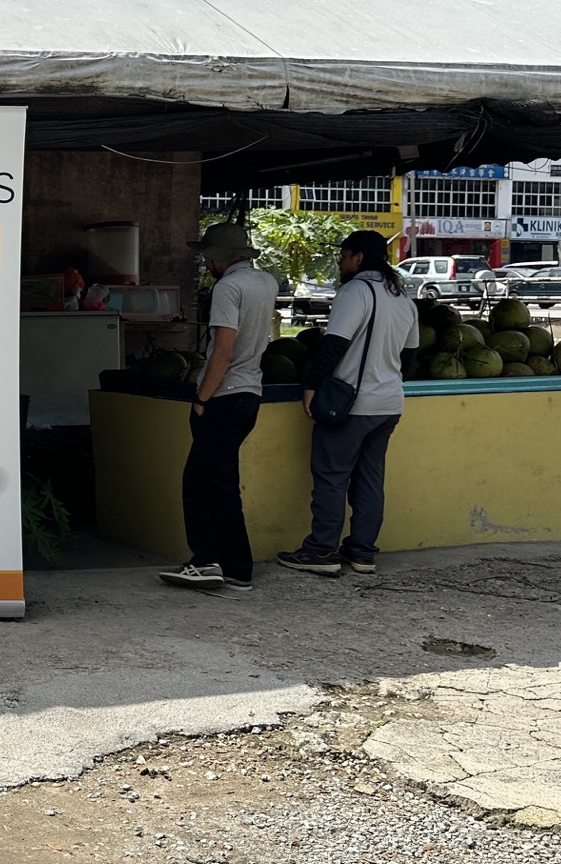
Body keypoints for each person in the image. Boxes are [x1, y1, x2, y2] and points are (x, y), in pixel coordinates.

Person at [280, 230, 419, 576]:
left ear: (358, 258)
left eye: (344, 256)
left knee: (331, 475)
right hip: (389, 403)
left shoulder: (356, 291)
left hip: (352, 404)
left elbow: (333, 345)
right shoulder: (402, 297)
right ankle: (362, 553)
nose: (341, 263)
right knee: (371, 479)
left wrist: (311, 385)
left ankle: (322, 551)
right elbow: (411, 355)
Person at [159, 222, 279, 594]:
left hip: (224, 394)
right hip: (250, 393)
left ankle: (231, 567)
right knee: (204, 479)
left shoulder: (229, 287)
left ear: (217, 258)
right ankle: (209, 559)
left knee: (212, 484)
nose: (205, 263)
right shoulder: (266, 282)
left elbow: (222, 350)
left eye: (207, 256)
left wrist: (202, 398)